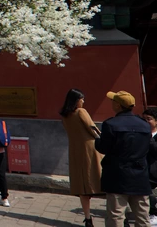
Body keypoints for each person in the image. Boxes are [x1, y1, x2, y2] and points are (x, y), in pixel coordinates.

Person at [95, 91, 152, 227]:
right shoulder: (144, 125)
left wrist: (97, 139)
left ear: (118, 106)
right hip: (140, 176)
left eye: (113, 101)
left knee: (116, 215)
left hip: (117, 175)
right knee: (143, 216)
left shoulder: (111, 125)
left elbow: (103, 148)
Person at [60, 88, 103, 227]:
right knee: (100, 180)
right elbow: (92, 129)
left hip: (75, 151)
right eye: (82, 99)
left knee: (82, 187)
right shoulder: (81, 112)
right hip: (89, 150)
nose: (83, 101)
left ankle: (88, 218)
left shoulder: (65, 115)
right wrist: (103, 140)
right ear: (76, 100)